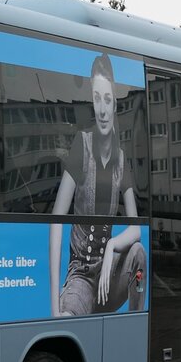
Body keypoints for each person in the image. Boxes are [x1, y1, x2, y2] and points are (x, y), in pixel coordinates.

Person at [49, 54, 146, 315]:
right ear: (92, 103)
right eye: (96, 99)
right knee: (68, 317)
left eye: (107, 99)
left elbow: (136, 229)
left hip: (109, 277)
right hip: (81, 274)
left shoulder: (121, 159)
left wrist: (113, 245)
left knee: (138, 252)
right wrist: (53, 307)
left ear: (114, 104)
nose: (102, 110)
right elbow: (57, 219)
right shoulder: (82, 145)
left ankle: (132, 328)